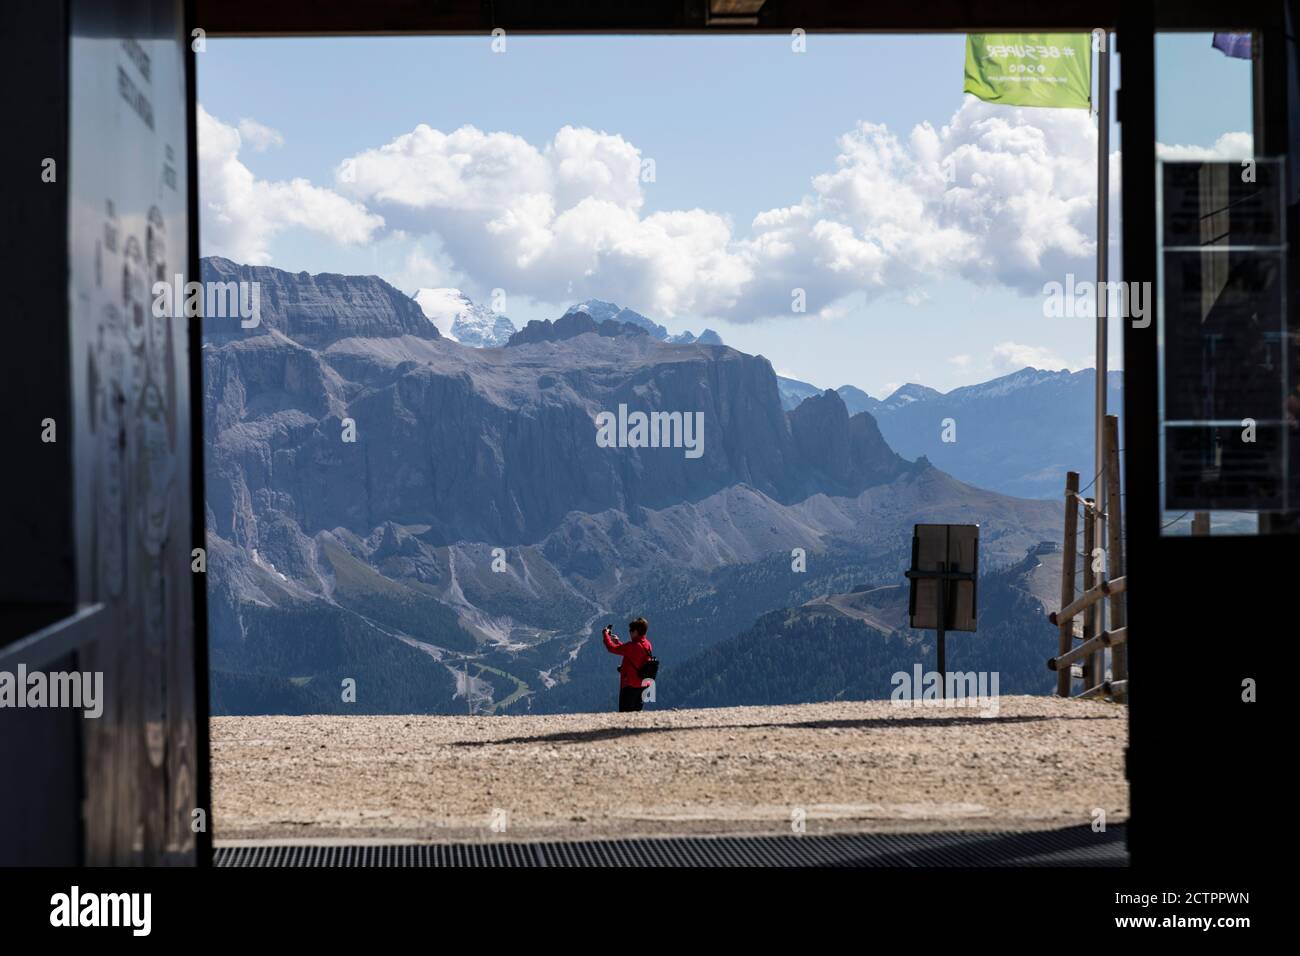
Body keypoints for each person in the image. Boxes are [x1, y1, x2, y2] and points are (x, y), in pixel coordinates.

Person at [603, 618, 653, 712]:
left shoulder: (633, 646)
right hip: (643, 685)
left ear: (636, 632)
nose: (630, 632)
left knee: (625, 713)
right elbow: (633, 655)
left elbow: (611, 648)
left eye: (631, 630)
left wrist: (605, 634)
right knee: (636, 713)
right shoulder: (647, 644)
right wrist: (618, 642)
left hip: (630, 685)